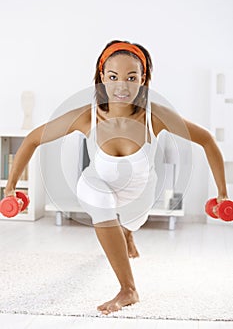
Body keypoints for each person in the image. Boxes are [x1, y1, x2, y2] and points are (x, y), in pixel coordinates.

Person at [4, 40, 228, 315]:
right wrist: (10, 188)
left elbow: (207, 140)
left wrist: (222, 194)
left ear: (143, 79)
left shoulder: (154, 117)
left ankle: (128, 232)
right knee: (98, 197)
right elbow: (32, 140)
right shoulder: (86, 118)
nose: (122, 86)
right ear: (101, 77)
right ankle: (128, 289)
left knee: (132, 220)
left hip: (141, 195)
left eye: (131, 78)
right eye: (113, 77)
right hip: (97, 184)